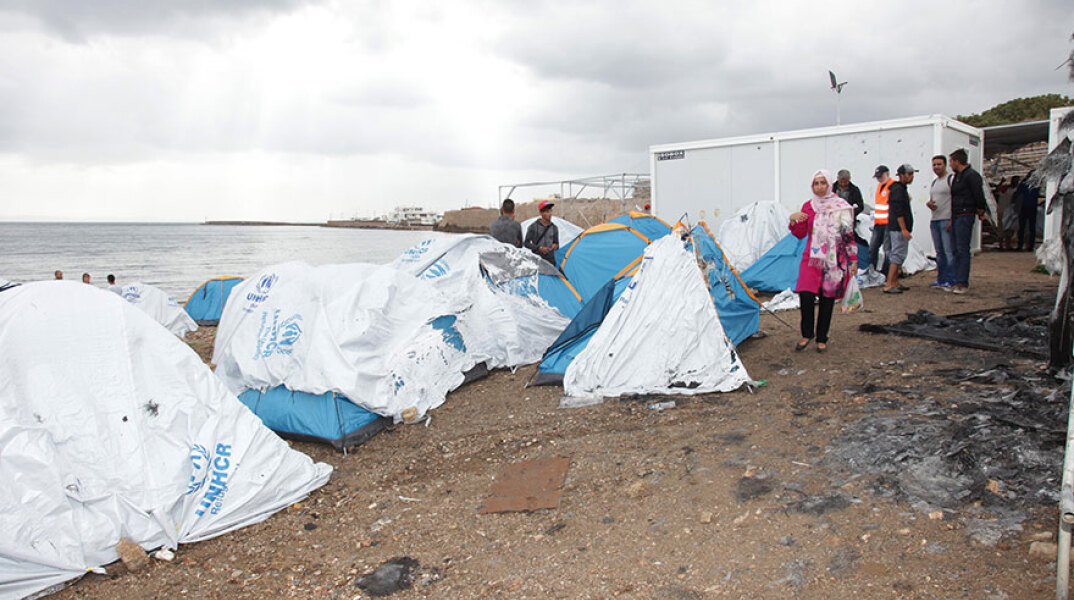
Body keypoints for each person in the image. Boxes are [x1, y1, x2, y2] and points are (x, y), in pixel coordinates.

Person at [788, 170, 858, 353]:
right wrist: (794, 220)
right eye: (816, 183)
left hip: (833, 260)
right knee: (806, 296)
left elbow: (848, 234)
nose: (819, 187)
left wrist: (853, 259)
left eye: (822, 183)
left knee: (827, 300)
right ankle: (806, 334)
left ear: (829, 184)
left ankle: (821, 337)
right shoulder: (808, 206)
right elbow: (800, 233)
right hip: (811, 258)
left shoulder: (840, 206)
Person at [948, 148, 989, 294]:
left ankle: (962, 282)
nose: (950, 164)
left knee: (962, 249)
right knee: (955, 250)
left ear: (957, 161)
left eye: (951, 161)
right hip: (956, 214)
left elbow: (979, 195)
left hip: (966, 214)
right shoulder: (957, 177)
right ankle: (955, 279)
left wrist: (980, 210)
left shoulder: (972, 176)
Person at [883, 164, 916, 294]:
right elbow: (898, 211)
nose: (911, 177)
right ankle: (889, 283)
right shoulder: (898, 190)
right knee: (897, 255)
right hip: (897, 228)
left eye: (912, 174)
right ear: (901, 175)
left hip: (897, 227)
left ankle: (895, 281)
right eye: (909, 174)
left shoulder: (900, 189)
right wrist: (904, 229)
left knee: (899, 255)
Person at [926, 155, 956, 289]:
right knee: (939, 252)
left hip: (946, 219)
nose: (936, 167)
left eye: (939, 164)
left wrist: (952, 219)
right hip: (935, 219)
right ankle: (941, 278)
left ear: (945, 165)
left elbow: (956, 201)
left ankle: (951, 279)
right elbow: (933, 199)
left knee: (948, 251)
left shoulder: (950, 180)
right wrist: (930, 204)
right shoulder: (934, 183)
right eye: (934, 165)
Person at [867, 165, 895, 275]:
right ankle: (871, 270)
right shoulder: (880, 186)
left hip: (888, 222)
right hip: (878, 222)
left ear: (887, 174)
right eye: (877, 177)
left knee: (887, 250)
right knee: (873, 248)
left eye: (881, 176)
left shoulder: (893, 186)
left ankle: (886, 273)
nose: (879, 179)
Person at [524, 200, 560, 265]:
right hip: (537, 261)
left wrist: (556, 246)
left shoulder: (554, 228)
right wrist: (539, 248)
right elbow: (526, 243)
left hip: (550, 261)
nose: (550, 214)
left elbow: (557, 243)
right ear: (541, 213)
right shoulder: (533, 227)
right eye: (547, 211)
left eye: (550, 211)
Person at [1015, 173, 1042, 251]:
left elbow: (1017, 194)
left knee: (1022, 227)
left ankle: (1020, 245)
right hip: (1032, 207)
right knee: (1031, 227)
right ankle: (1030, 245)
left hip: (1024, 206)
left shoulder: (1023, 184)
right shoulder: (1036, 185)